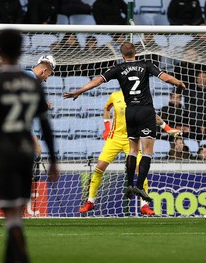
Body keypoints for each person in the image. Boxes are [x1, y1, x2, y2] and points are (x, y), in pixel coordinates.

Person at [64, 42, 186, 202]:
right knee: (147, 151)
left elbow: (97, 81)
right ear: (135, 52)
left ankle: (129, 184)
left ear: (122, 55)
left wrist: (79, 91)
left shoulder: (118, 68)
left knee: (133, 150)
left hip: (130, 112)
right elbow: (165, 77)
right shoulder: (146, 65)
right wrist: (178, 83)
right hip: (145, 110)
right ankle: (140, 186)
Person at [0, 29, 59, 262]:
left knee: (9, 209)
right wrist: (52, 158)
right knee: (16, 212)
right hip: (22, 150)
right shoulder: (33, 85)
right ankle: (19, 255)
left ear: (0, 51)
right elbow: (45, 126)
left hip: (2, 148)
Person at [79, 90, 181, 215]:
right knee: (99, 168)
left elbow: (151, 115)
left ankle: (144, 205)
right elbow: (106, 109)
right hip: (114, 138)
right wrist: (107, 127)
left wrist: (167, 128)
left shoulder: (140, 96)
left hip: (131, 139)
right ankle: (90, 201)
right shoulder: (115, 95)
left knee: (140, 168)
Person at [184, 71, 206, 141]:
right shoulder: (190, 92)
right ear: (196, 79)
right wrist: (199, 125)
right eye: (200, 77)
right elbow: (190, 110)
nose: (202, 79)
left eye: (204, 77)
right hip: (195, 126)